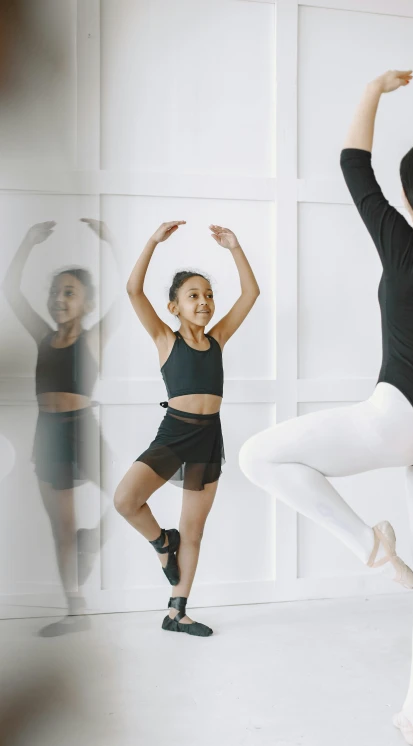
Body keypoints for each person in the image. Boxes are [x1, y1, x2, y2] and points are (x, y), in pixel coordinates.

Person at [239, 69, 413, 746]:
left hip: (398, 417)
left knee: (257, 455)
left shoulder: (406, 250)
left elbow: (355, 165)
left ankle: (368, 545)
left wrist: (372, 93)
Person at [114, 221, 259, 637]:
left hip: (208, 438)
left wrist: (235, 247)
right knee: (126, 500)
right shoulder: (164, 338)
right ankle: (163, 543)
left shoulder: (218, 339)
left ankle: (177, 613)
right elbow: (132, 292)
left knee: (194, 531)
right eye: (193, 296)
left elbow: (251, 294)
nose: (204, 302)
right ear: (174, 307)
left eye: (209, 295)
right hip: (173, 433)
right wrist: (152, 242)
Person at [2, 218, 120, 636]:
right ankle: (75, 609)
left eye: (69, 292)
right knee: (62, 528)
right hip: (47, 435)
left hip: (83, 429)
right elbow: (11, 291)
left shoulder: (92, 339)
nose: (58, 298)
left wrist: (113, 243)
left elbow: (128, 295)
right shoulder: (42, 337)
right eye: (55, 292)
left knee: (125, 498)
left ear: (87, 304)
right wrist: (27, 242)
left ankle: (93, 542)